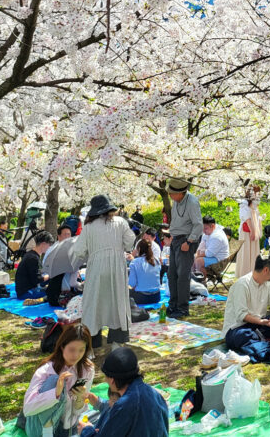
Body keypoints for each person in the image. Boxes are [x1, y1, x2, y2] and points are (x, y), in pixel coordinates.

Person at [71, 195, 134, 350]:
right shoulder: (120, 222)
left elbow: (78, 251)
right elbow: (130, 242)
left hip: (96, 270)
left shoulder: (89, 228)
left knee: (94, 304)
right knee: (117, 302)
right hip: (117, 269)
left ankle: (92, 344)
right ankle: (117, 342)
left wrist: (91, 253)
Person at [21, 324, 96, 437]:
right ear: (62, 347)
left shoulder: (87, 369)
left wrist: (80, 399)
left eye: (81, 350)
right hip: (42, 429)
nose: (76, 355)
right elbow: (28, 408)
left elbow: (77, 412)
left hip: (68, 426)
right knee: (53, 380)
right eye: (71, 349)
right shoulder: (47, 370)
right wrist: (56, 393)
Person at [78, 346, 169, 437]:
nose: (106, 381)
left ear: (112, 380)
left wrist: (86, 430)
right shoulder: (155, 394)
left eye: (106, 377)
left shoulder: (124, 405)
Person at [222, 255, 270, 350]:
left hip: (258, 325)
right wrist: (261, 322)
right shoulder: (242, 285)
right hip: (238, 328)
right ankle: (266, 341)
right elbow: (242, 315)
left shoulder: (267, 284)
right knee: (241, 336)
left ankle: (262, 340)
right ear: (266, 270)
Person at [166, 178, 202, 319]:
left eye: (172, 193)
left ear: (181, 193)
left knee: (182, 276)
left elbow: (198, 225)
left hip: (186, 240)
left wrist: (189, 241)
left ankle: (182, 307)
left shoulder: (192, 202)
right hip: (176, 239)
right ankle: (173, 304)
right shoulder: (176, 202)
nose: (170, 195)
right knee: (171, 274)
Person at [44, 228, 81, 308]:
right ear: (59, 236)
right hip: (62, 297)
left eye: (69, 234)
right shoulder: (71, 257)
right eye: (65, 234)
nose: (68, 237)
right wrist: (82, 285)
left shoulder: (53, 249)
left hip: (51, 295)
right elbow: (73, 283)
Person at [17, 231, 54, 300]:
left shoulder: (31, 255)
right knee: (55, 291)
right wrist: (50, 275)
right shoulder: (33, 258)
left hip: (25, 290)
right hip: (26, 293)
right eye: (50, 245)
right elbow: (37, 279)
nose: (50, 248)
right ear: (43, 244)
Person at [235, 185, 262, 278]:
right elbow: (247, 218)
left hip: (254, 230)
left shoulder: (254, 203)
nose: (257, 194)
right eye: (256, 192)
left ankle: (253, 272)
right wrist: (252, 231)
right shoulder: (244, 203)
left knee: (254, 252)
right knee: (246, 252)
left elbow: (256, 217)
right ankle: (244, 273)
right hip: (247, 231)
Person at [128, 240, 162, 305]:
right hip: (156, 297)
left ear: (139, 249)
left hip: (141, 297)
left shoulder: (134, 262)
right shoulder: (157, 260)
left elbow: (132, 283)